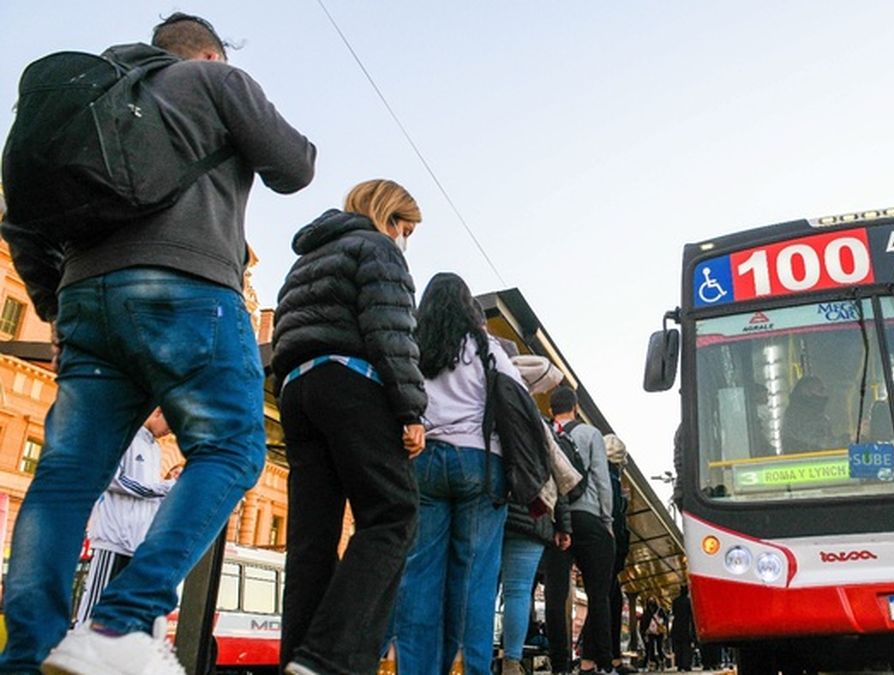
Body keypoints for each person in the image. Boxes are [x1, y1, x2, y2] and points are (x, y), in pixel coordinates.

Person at [0, 13, 315, 674]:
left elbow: (22, 221)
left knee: (65, 476)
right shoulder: (212, 81)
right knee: (232, 447)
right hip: (188, 289)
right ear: (209, 54)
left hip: (86, 302)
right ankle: (119, 624)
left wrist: (56, 308)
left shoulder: (86, 101)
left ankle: (28, 653)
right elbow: (295, 166)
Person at [271, 179, 426, 675]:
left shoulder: (305, 260)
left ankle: (299, 659)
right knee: (392, 513)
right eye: (405, 229)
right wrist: (410, 411)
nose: (404, 240)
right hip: (352, 383)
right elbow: (391, 332)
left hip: (296, 390)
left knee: (311, 539)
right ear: (390, 216)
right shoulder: (377, 247)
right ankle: (329, 658)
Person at [391, 272, 523, 675]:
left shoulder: (414, 347)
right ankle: (467, 667)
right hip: (480, 463)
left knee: (420, 573)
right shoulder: (486, 348)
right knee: (473, 578)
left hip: (424, 461)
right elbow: (517, 399)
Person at [500, 354, 572, 675]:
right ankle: (512, 662)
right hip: (534, 514)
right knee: (518, 591)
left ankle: (473, 656)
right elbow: (559, 478)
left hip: (498, 509)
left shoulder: (492, 409)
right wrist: (563, 525)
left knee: (485, 586)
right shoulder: (541, 424)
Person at [74, 410, 176, 625]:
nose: (169, 431)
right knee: (97, 601)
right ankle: (81, 639)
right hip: (113, 538)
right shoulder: (123, 437)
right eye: (170, 424)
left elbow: (148, 493)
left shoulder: (155, 449)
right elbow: (113, 479)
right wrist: (162, 488)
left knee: (117, 604)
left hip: (135, 542)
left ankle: (103, 642)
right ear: (158, 412)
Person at [544, 386, 615, 675]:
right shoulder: (590, 434)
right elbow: (602, 479)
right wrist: (607, 521)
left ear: (551, 411)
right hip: (588, 517)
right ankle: (604, 663)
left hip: (554, 520)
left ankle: (559, 665)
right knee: (599, 595)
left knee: (555, 595)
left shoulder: (545, 432)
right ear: (575, 408)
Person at [604, 434, 634, 675]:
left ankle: (610, 659)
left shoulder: (607, 476)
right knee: (608, 601)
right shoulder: (610, 478)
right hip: (609, 548)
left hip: (610, 548)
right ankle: (606, 660)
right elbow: (614, 515)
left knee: (611, 600)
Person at [781, 375, 834, 451]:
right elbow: (813, 442)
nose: (824, 395)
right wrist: (837, 443)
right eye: (820, 390)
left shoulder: (814, 412)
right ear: (807, 392)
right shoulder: (798, 414)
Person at [669, 587, 695, 672]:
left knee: (678, 647)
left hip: (677, 626)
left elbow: (674, 612)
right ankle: (686, 664)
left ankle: (679, 665)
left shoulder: (675, 601)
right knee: (686, 647)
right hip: (686, 626)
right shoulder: (689, 601)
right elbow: (691, 614)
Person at [640, 598, 667, 671]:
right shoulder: (649, 611)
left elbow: (665, 619)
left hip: (657, 631)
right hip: (651, 632)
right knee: (652, 648)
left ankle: (660, 662)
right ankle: (656, 663)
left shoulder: (657, 610)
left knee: (658, 647)